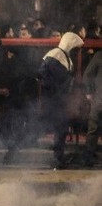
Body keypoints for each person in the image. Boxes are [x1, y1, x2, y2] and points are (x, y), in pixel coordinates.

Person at [37, 31, 84, 168]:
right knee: (58, 128)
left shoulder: (65, 57)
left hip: (60, 100)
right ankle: (57, 159)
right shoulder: (55, 55)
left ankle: (59, 158)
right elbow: (42, 75)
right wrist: (55, 89)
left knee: (61, 129)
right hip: (54, 100)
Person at [81, 49, 102, 167]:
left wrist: (89, 92)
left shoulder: (99, 55)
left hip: (99, 98)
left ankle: (88, 158)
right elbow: (88, 75)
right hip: (99, 98)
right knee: (93, 128)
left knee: (93, 129)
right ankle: (88, 157)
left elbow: (88, 74)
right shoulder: (99, 56)